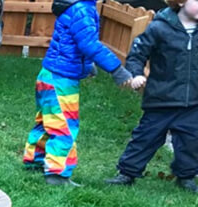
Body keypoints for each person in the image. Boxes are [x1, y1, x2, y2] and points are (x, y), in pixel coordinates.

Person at [22, 0, 133, 186]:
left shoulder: (76, 5)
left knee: (47, 122)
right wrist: (116, 69)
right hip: (61, 80)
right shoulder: (82, 9)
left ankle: (36, 160)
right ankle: (57, 174)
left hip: (49, 75)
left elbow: (71, 41)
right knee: (64, 126)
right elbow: (89, 44)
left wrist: (87, 66)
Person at [105, 0, 198, 193]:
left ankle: (186, 177)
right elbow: (137, 53)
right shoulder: (159, 28)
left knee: (191, 141)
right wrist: (136, 74)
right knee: (146, 137)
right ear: (180, 2)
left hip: (193, 102)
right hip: (161, 99)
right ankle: (127, 173)